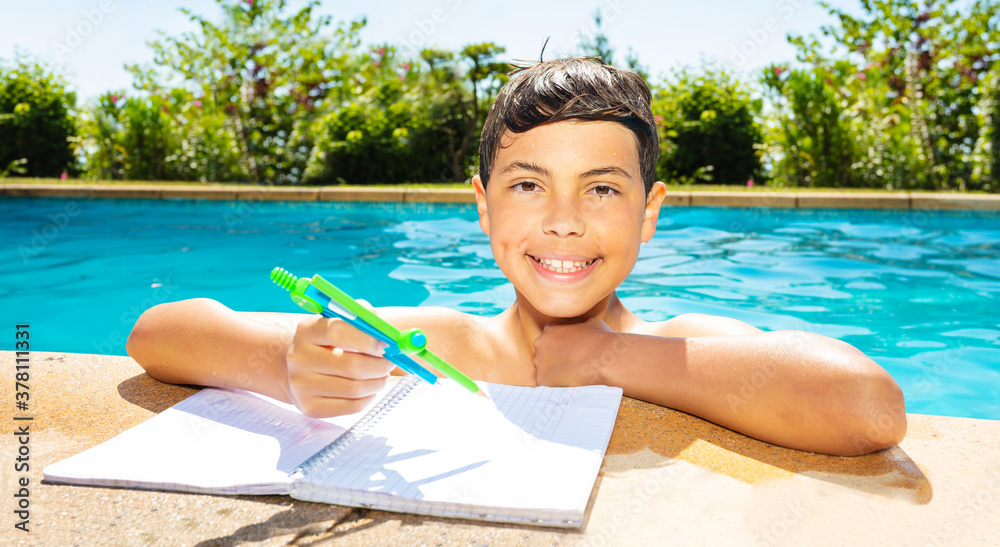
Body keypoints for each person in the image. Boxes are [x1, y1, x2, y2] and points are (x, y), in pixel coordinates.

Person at [128, 57, 907, 456]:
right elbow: (158, 332)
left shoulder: (681, 343)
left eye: (602, 190)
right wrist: (289, 364)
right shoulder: (440, 342)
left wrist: (608, 358)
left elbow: (867, 405)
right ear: (483, 203)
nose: (564, 223)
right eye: (529, 184)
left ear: (650, 213)